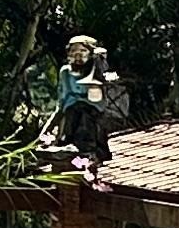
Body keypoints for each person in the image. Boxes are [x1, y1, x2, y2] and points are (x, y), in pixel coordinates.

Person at [44, 35, 130, 166]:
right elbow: (62, 102)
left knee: (84, 116)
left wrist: (99, 62)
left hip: (92, 113)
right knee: (73, 113)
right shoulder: (66, 72)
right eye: (73, 51)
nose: (77, 55)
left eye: (82, 51)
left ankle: (90, 153)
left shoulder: (95, 69)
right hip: (72, 114)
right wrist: (48, 129)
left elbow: (101, 89)